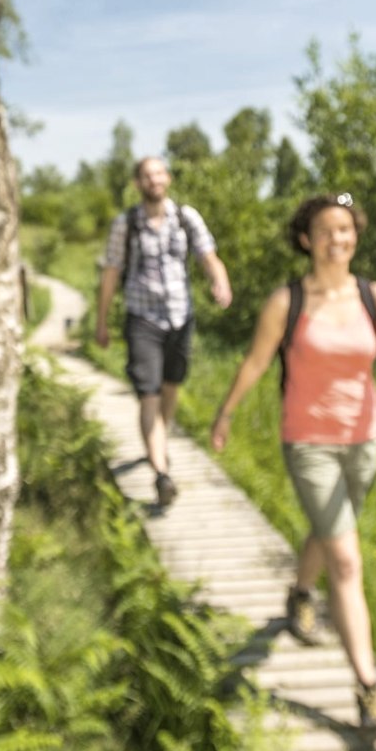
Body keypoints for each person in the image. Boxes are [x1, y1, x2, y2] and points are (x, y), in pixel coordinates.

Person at [208, 192, 376, 734]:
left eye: (345, 229)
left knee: (330, 532)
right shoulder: (287, 301)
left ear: (355, 236)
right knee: (346, 559)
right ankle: (368, 689)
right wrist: (225, 414)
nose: (336, 238)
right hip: (308, 442)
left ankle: (299, 593)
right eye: (325, 230)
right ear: (306, 239)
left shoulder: (374, 296)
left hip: (364, 439)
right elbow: (255, 361)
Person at [95, 156, 232, 508]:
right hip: (142, 318)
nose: (153, 180)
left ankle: (159, 441)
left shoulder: (186, 217)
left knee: (171, 389)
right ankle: (161, 472)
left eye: (158, 173)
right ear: (137, 183)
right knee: (149, 395)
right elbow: (111, 272)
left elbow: (208, 256)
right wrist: (101, 320)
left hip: (180, 317)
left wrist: (220, 281)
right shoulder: (126, 224)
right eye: (146, 175)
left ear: (167, 178)